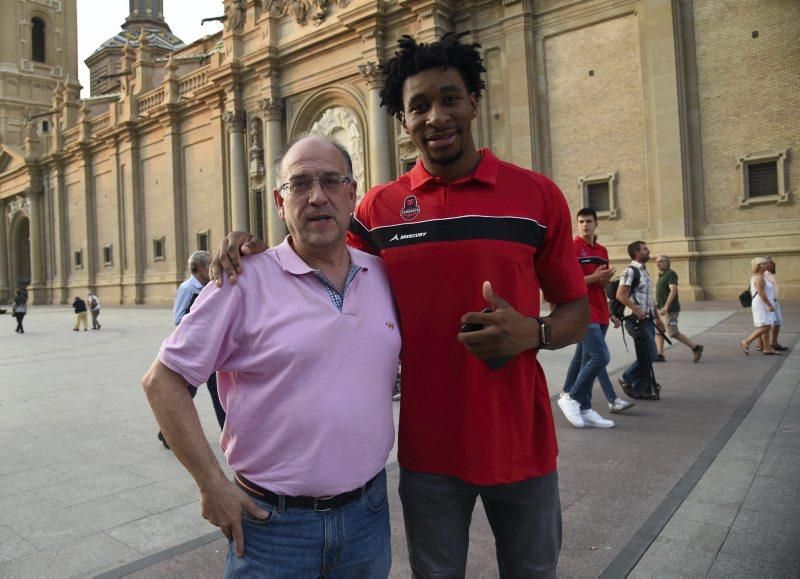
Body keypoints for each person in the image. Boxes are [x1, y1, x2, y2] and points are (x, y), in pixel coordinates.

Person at [213, 33, 589, 577]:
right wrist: (249, 245)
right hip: (428, 450)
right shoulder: (380, 210)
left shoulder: (537, 196)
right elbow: (325, 260)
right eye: (419, 106)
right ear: (402, 121)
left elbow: (576, 311)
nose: (437, 116)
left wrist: (534, 333)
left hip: (521, 443)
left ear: (473, 103)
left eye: (449, 98)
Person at [142, 135, 400, 577]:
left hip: (367, 516)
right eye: (300, 185)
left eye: (330, 181)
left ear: (351, 193)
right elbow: (161, 382)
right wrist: (210, 484)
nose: (317, 196)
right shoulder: (241, 281)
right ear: (280, 202)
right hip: (272, 527)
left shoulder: (382, 274)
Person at [558, 208, 633, 429]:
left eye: (588, 221)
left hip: (600, 309)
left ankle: (585, 407)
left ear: (595, 224)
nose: (584, 225)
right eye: (581, 221)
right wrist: (594, 277)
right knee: (600, 357)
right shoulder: (572, 247)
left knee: (583, 358)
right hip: (582, 311)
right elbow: (568, 282)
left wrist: (604, 282)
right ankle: (571, 397)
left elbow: (601, 286)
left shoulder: (602, 250)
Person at [157, 250, 227, 449]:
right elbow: (178, 317)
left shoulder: (211, 286)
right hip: (194, 351)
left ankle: (228, 435)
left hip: (213, 349)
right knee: (186, 393)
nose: (213, 268)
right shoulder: (187, 288)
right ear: (200, 268)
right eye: (209, 265)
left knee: (218, 391)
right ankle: (166, 432)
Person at [616, 241, 666, 397]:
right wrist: (637, 310)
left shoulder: (644, 272)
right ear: (636, 252)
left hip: (648, 320)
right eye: (645, 249)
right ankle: (627, 377)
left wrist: (658, 318)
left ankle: (640, 387)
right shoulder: (630, 271)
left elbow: (650, 300)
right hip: (636, 321)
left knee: (646, 356)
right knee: (651, 354)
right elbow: (620, 295)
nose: (648, 251)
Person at [654, 256, 703, 362]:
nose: (658, 264)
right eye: (656, 262)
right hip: (660, 309)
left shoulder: (670, 274)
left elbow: (673, 290)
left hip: (670, 310)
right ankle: (660, 355)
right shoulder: (661, 275)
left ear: (667, 263)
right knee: (659, 331)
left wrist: (666, 306)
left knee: (673, 332)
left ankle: (696, 347)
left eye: (661, 261)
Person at [740, 256, 779, 355]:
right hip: (762, 304)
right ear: (758, 266)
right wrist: (769, 305)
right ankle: (747, 341)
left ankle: (767, 348)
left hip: (762, 304)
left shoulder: (761, 276)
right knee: (766, 326)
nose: (767, 265)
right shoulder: (759, 278)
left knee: (766, 324)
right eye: (764, 263)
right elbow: (761, 293)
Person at [758, 257, 787, 352]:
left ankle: (767, 344)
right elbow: (761, 291)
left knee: (769, 323)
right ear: (765, 264)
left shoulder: (769, 274)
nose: (773, 265)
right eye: (771, 263)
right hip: (770, 302)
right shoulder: (763, 275)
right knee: (769, 324)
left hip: (774, 301)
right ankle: (763, 344)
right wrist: (769, 304)